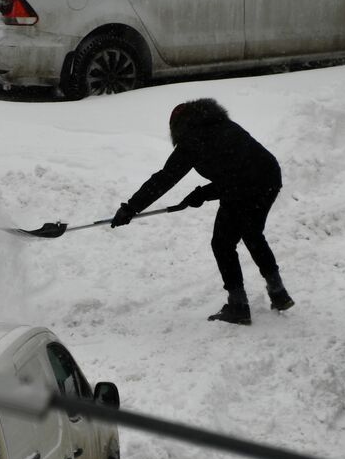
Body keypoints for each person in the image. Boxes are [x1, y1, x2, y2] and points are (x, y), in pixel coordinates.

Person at [111, 98, 293, 325]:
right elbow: (236, 171)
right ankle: (278, 292)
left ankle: (238, 305)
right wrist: (201, 193)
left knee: (223, 243)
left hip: (245, 185)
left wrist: (131, 208)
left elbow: (166, 178)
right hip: (268, 178)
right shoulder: (222, 127)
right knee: (252, 234)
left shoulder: (192, 140)